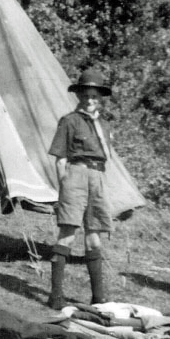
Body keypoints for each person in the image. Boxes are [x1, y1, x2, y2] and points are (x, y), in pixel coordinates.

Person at [46, 67, 117, 309]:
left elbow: (106, 157)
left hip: (97, 177)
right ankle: (56, 295)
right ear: (79, 97)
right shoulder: (69, 121)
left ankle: (98, 297)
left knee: (94, 235)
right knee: (68, 231)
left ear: (101, 100)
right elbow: (60, 158)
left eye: (95, 97)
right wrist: (64, 185)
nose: (90, 100)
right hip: (75, 174)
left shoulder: (105, 125)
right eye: (86, 96)